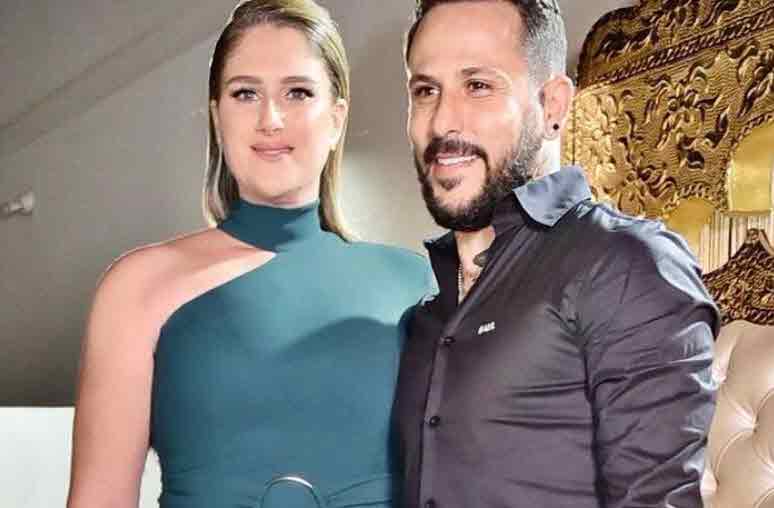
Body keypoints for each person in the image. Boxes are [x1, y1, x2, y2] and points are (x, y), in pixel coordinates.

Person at [67, 1, 432, 507]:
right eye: (245, 93)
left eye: (298, 92)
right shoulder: (137, 288)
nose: (270, 119)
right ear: (218, 117)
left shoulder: (415, 284)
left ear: (336, 118)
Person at [392, 1, 719, 507]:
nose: (442, 121)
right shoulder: (423, 316)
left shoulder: (626, 263)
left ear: (553, 106)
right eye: (425, 90)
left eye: (478, 85)